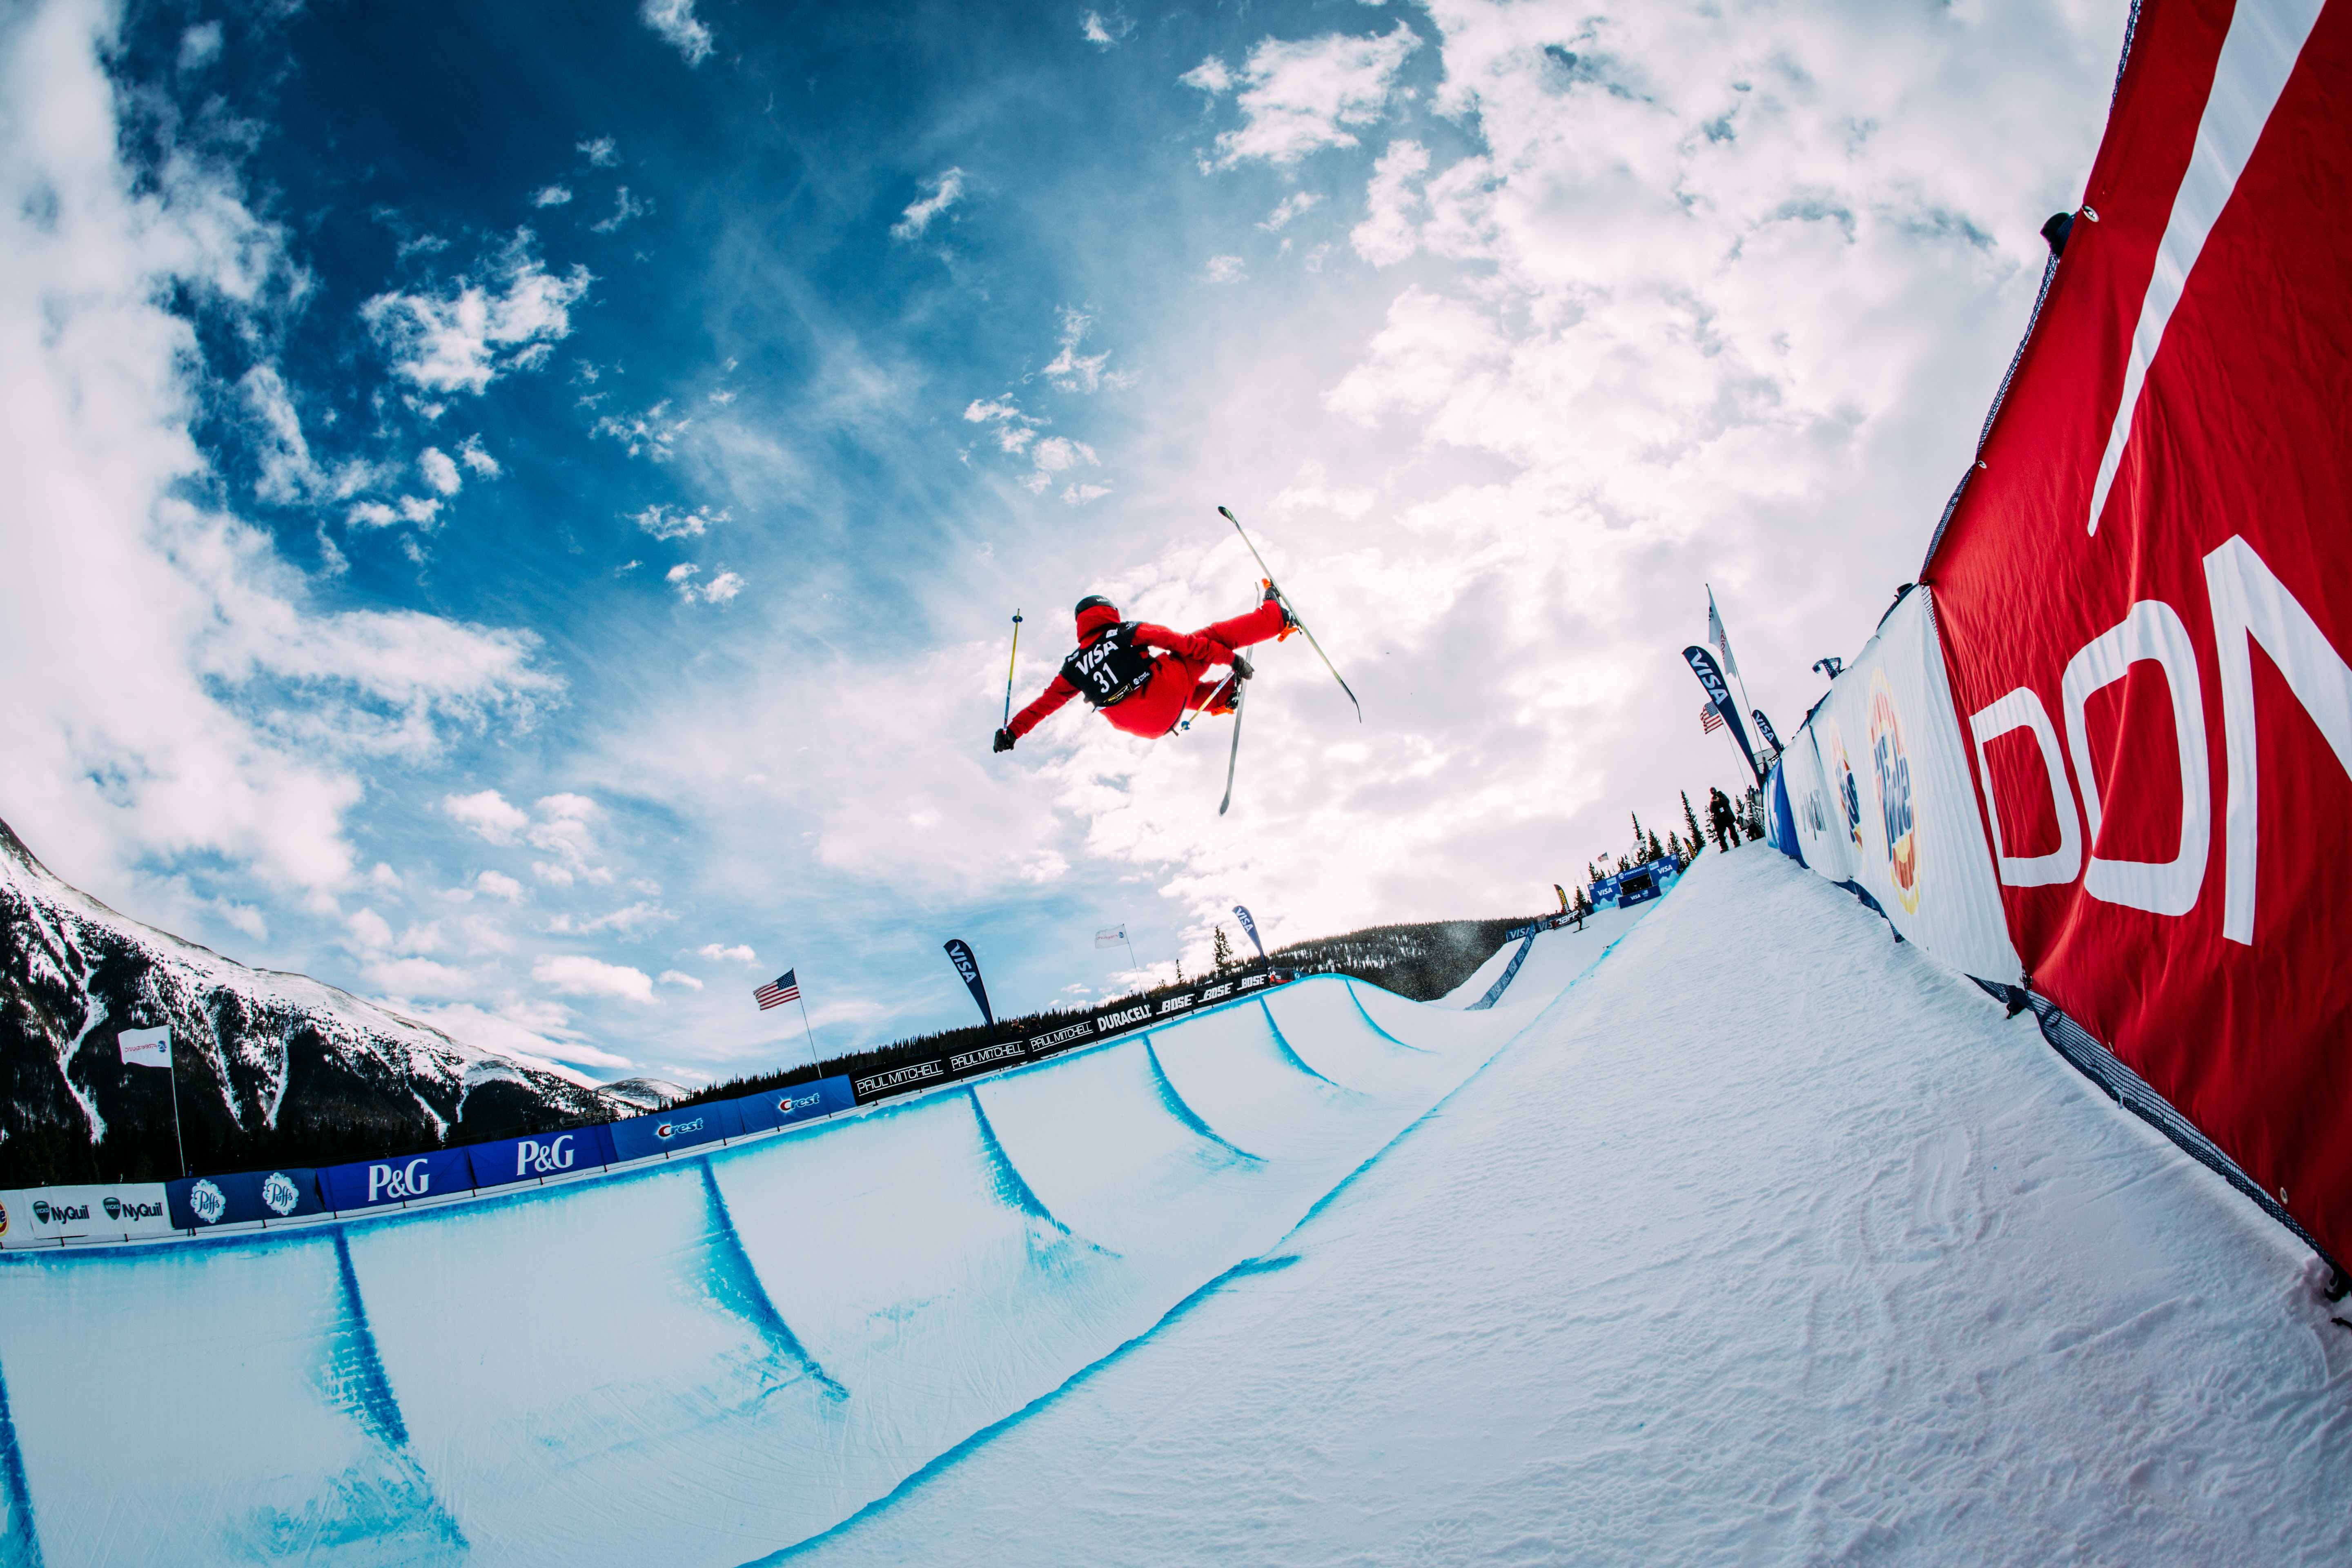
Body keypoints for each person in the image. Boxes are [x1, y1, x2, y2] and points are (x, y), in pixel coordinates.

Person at [995, 586, 1295, 751]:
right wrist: (1229, 658)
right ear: (1111, 613)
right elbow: (1180, 642)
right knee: (1207, 639)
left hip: (1144, 727)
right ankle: (1276, 618)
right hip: (1166, 693)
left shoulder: (1072, 666)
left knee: (1160, 686)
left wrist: (1013, 733)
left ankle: (1223, 698)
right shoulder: (1125, 631)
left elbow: (1044, 705)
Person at [1708, 786, 1739, 853]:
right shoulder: (1713, 799)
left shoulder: (1722, 795)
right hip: (1718, 818)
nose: (1713, 792)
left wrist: (1719, 800)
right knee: (1720, 834)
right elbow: (1712, 810)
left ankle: (1736, 841)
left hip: (1726, 815)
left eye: (1714, 790)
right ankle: (1724, 846)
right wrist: (1713, 802)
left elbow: (1727, 802)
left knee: (1732, 828)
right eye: (1712, 791)